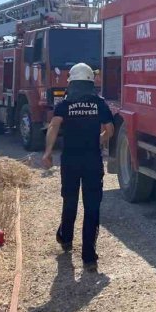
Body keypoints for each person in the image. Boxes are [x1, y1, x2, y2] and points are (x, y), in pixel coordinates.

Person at [41, 62, 114, 272]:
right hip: (92, 161)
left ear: (71, 82)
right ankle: (89, 258)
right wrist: (98, 139)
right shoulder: (99, 103)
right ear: (91, 82)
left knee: (70, 201)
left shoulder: (64, 104)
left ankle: (65, 239)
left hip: (70, 161)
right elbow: (110, 129)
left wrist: (47, 152)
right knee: (92, 207)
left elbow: (54, 126)